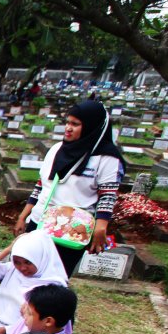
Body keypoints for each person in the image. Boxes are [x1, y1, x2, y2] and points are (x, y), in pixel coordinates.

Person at [14, 100, 125, 275]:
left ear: (92, 126)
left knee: (53, 279)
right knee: (25, 273)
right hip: (39, 222)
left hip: (70, 231)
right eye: (67, 122)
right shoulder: (57, 149)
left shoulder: (107, 159)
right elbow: (42, 185)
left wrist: (101, 227)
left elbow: (108, 196)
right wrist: (23, 216)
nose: (68, 128)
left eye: (75, 124)